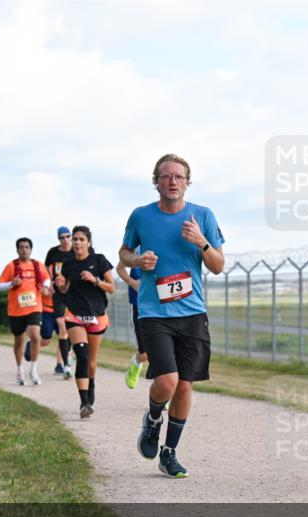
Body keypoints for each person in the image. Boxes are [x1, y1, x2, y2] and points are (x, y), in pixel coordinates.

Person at [120, 153, 225, 478]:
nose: (173, 181)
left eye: (179, 176)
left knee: (184, 387)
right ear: (156, 182)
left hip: (192, 312)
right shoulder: (140, 216)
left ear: (188, 182)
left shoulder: (202, 216)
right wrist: (137, 262)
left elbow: (219, 266)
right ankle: (153, 420)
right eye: (166, 176)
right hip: (154, 312)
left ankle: (170, 452)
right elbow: (123, 254)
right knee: (167, 380)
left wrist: (202, 242)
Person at [53, 226, 115, 418]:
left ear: (88, 242)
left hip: (96, 316)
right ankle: (84, 402)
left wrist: (95, 280)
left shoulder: (99, 260)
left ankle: (91, 384)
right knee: (81, 354)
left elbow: (111, 288)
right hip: (74, 315)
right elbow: (64, 290)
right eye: (75, 239)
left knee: (91, 361)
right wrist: (62, 287)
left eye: (81, 239)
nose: (77, 242)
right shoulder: (68, 264)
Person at [0, 238, 51, 385]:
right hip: (16, 310)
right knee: (19, 340)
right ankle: (20, 369)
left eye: (27, 247)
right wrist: (11, 283)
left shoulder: (37, 264)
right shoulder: (11, 266)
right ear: (17, 250)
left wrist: (46, 287)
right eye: (21, 247)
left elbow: (46, 279)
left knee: (35, 336)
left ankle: (33, 369)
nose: (24, 250)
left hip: (34, 307)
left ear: (31, 249)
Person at [44, 226, 76, 379]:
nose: (65, 239)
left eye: (67, 236)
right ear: (58, 239)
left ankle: (68, 355)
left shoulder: (75, 250)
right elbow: (46, 267)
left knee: (72, 327)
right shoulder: (53, 252)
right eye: (61, 237)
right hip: (58, 294)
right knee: (62, 326)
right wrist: (49, 281)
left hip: (74, 293)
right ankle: (66, 365)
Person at [117, 260, 148, 388]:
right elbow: (120, 268)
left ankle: (164, 396)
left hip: (161, 305)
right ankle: (136, 362)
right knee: (145, 354)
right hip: (138, 304)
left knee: (162, 354)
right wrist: (133, 283)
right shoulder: (135, 247)